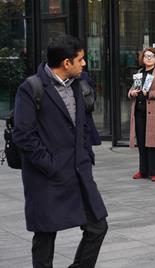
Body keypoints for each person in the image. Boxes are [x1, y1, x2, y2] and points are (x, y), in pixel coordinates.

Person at [12, 34, 108, 268]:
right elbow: (23, 135)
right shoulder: (31, 88)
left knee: (98, 227)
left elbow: (84, 124)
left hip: (79, 171)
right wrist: (50, 164)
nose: (84, 63)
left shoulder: (80, 83)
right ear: (67, 63)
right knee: (45, 235)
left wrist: (85, 154)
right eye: (80, 59)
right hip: (47, 176)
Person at [128, 47, 155, 181]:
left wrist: (151, 94)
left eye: (151, 56)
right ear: (142, 58)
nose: (148, 58)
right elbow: (132, 89)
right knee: (142, 142)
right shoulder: (140, 72)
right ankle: (144, 171)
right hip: (140, 112)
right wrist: (131, 93)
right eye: (146, 56)